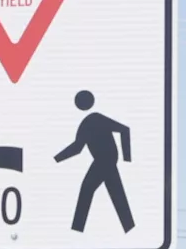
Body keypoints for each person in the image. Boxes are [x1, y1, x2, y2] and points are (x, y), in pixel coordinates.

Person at [54, 90, 135, 233]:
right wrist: (57, 159)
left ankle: (77, 229)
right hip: (104, 160)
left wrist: (127, 158)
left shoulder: (95, 119)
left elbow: (124, 130)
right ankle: (129, 228)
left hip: (105, 160)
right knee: (116, 193)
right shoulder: (86, 124)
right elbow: (77, 148)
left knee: (87, 189)